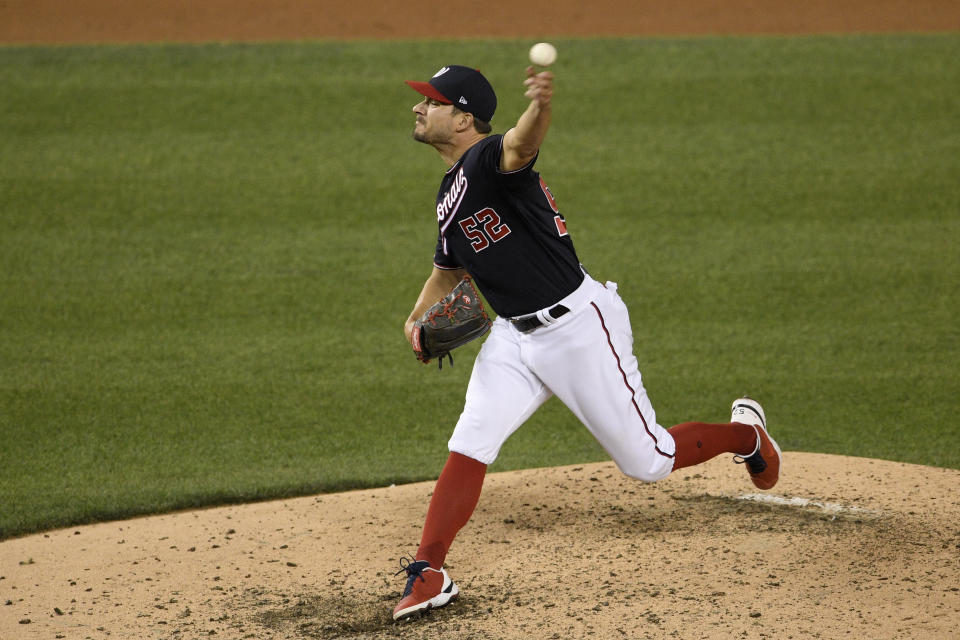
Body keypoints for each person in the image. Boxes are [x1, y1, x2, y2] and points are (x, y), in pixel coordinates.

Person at [393, 63, 781, 621]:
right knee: (470, 440)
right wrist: (415, 320)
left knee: (648, 461)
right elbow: (448, 272)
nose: (418, 108)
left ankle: (747, 434)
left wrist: (541, 107)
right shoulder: (448, 193)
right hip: (512, 338)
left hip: (578, 329)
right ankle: (430, 571)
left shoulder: (489, 158)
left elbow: (520, 145)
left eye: (431, 102)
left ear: (462, 117)